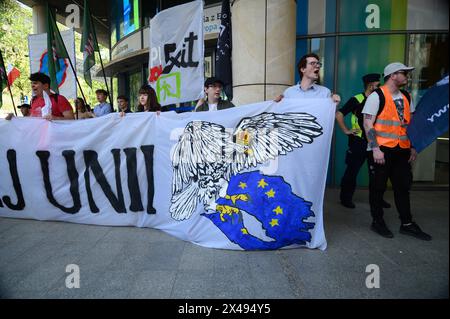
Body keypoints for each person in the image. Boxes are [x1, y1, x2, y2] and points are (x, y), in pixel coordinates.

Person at [362, 62, 432, 241]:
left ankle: (407, 224)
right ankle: (377, 221)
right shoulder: (377, 96)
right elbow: (367, 123)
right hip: (381, 150)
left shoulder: (407, 97)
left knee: (403, 187)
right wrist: (375, 148)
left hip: (402, 149)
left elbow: (411, 125)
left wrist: (413, 146)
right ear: (393, 75)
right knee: (378, 187)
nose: (407, 76)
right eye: (404, 73)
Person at [335, 73, 391, 209]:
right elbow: (339, 114)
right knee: (352, 171)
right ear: (370, 85)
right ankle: (345, 198)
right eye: (378, 85)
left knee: (378, 173)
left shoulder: (380, 99)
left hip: (375, 142)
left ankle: (378, 199)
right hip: (358, 142)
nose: (380, 87)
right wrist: (346, 130)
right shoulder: (357, 99)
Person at [275, 53, 341, 103]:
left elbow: (327, 115)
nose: (317, 66)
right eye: (313, 63)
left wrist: (334, 103)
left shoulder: (325, 92)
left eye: (318, 64)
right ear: (303, 69)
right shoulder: (289, 92)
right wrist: (276, 104)